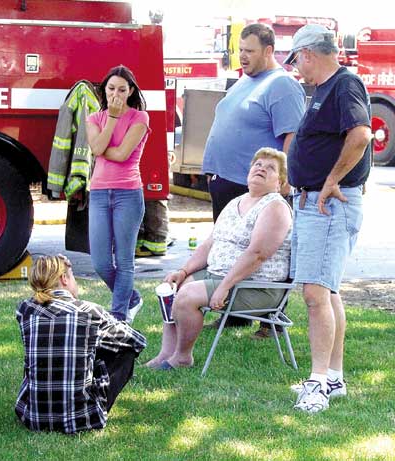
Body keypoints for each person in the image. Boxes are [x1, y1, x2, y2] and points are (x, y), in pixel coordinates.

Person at [284, 24, 372, 413]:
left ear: (307, 53)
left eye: (296, 60)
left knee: (315, 294)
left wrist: (331, 180)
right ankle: (333, 378)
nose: (296, 68)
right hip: (317, 202)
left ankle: (317, 384)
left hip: (329, 204)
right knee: (328, 290)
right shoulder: (325, 88)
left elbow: (361, 135)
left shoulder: (344, 84)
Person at [146, 148, 292, 370]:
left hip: (256, 287)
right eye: (258, 164)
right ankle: (167, 352)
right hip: (221, 276)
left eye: (270, 168)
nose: (261, 168)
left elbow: (257, 254)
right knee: (171, 289)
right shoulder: (236, 202)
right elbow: (209, 244)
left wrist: (224, 286)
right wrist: (183, 271)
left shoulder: (275, 207)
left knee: (187, 296)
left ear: (280, 182)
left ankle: (182, 358)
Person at [201, 23, 305, 330]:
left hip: (257, 188)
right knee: (229, 250)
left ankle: (271, 320)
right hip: (227, 182)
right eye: (240, 50)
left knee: (264, 253)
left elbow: (292, 136)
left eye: (250, 51)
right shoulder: (245, 80)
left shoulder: (281, 85)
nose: (242, 57)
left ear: (269, 50)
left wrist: (285, 182)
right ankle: (234, 315)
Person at [15, 255, 146, 434]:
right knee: (125, 350)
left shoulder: (25, 310)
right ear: (64, 278)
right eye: (73, 276)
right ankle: (95, 405)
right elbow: (137, 341)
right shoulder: (90, 312)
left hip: (32, 417)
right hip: (81, 420)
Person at [86, 65, 150, 322]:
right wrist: (111, 119)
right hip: (99, 194)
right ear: (104, 90)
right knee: (101, 263)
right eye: (111, 88)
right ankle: (132, 297)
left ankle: (119, 317)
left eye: (122, 90)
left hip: (128, 194)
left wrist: (102, 148)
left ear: (130, 91)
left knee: (124, 261)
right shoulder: (94, 118)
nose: (116, 94)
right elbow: (96, 148)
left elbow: (122, 154)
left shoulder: (140, 118)